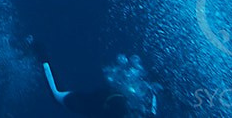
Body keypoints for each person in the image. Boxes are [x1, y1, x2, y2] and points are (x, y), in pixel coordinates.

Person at [26, 41, 160, 115]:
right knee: (56, 95)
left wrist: (155, 89)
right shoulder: (117, 108)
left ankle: (40, 52)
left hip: (99, 102)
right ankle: (40, 52)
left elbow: (152, 105)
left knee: (57, 95)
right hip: (89, 104)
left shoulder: (137, 111)